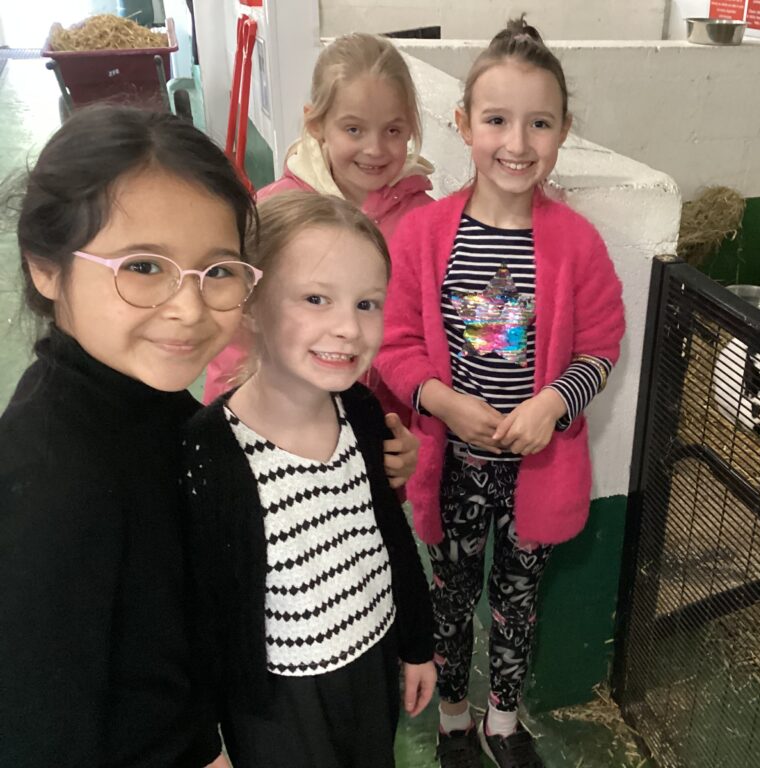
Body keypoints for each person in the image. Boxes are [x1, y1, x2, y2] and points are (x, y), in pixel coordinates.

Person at [376, 16, 626, 768]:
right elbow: (395, 344)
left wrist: (553, 404)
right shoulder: (423, 236)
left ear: (563, 131)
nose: (517, 143)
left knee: (517, 605)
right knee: (450, 601)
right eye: (496, 120)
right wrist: (444, 402)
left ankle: (503, 722)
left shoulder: (577, 243)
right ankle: (454, 719)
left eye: (539, 123)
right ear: (463, 125)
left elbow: (600, 346)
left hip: (534, 471)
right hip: (452, 465)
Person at [0, 104, 256, 767]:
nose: (189, 309)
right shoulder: (50, 480)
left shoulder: (150, 401)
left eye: (219, 271)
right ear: (46, 266)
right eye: (143, 267)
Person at [184, 191, 436, 767]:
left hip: (372, 665)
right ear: (251, 305)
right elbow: (200, 610)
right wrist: (203, 743)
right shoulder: (210, 450)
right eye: (316, 298)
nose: (348, 327)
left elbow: (389, 535)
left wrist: (417, 643)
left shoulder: (362, 412)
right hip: (278, 704)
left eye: (367, 303)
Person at [203, 32, 433, 420]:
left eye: (392, 130)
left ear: (410, 128)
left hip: (383, 427)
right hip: (280, 422)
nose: (375, 149)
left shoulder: (427, 222)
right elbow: (235, 331)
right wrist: (225, 419)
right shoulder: (273, 211)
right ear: (316, 123)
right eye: (354, 129)